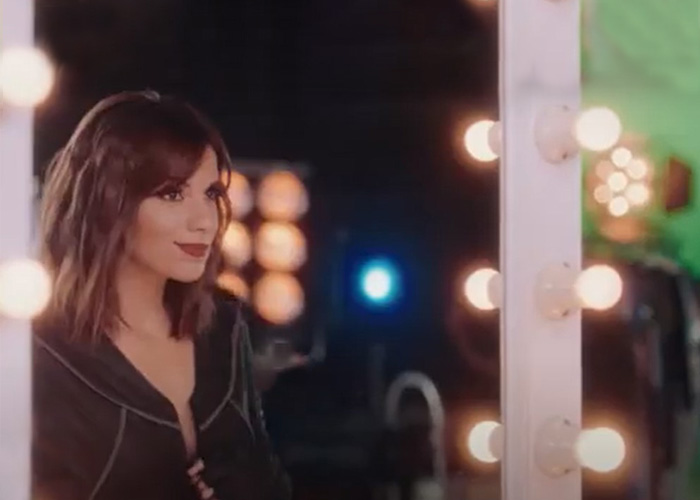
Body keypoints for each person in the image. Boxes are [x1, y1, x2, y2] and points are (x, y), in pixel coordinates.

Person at [31, 90, 291, 500]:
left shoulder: (223, 325)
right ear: (108, 201)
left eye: (211, 194)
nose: (204, 221)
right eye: (172, 194)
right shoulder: (38, 350)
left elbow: (269, 481)